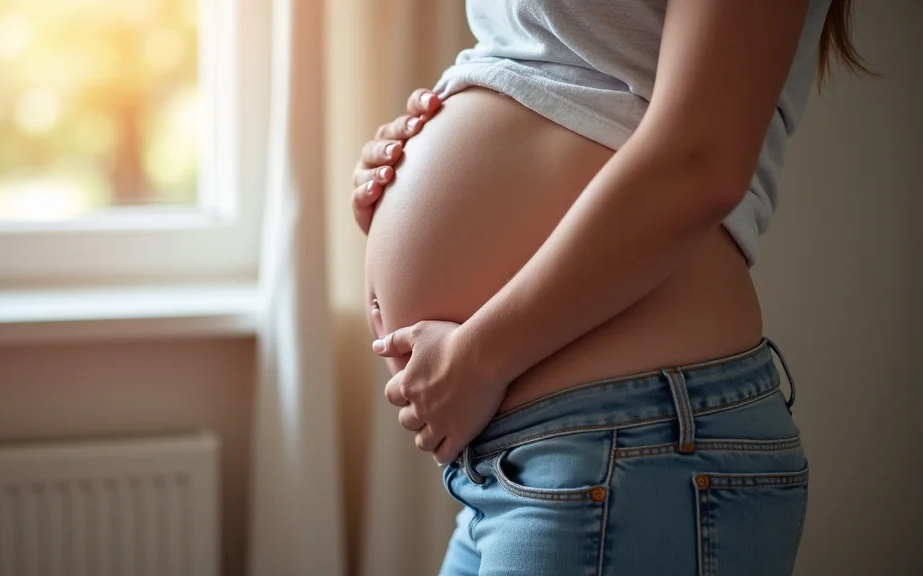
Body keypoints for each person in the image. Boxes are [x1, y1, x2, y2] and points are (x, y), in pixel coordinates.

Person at [352, 1, 867, 574]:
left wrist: (480, 356)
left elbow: (702, 158)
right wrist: (406, 163)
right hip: (548, 458)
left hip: (627, 444)